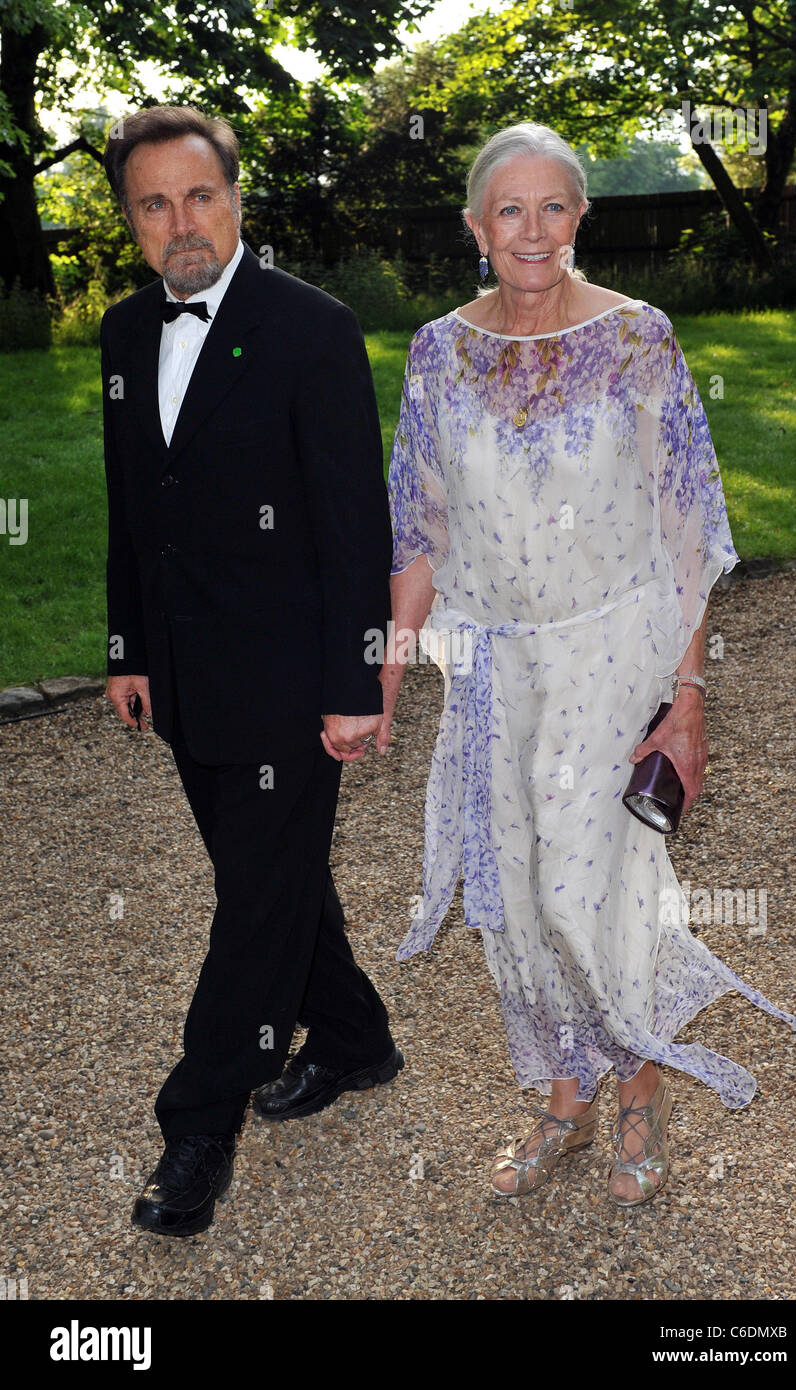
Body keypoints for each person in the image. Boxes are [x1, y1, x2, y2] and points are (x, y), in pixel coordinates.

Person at [378, 123, 796, 1206]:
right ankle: (568, 1092)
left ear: (581, 217)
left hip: (614, 647)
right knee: (518, 885)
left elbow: (687, 527)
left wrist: (690, 695)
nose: (532, 231)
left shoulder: (639, 337)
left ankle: (641, 1089)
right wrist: (382, 671)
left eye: (553, 207)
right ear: (477, 228)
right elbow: (416, 533)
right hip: (489, 665)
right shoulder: (436, 352)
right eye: (508, 211)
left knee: (592, 880)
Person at [101, 105, 401, 1237]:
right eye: (154, 203)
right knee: (271, 887)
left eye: (201, 197)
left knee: (251, 913)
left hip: (290, 684)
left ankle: (197, 1125)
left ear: (237, 198)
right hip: (182, 678)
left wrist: (353, 682)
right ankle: (359, 1040)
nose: (182, 223)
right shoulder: (127, 335)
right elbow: (135, 511)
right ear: (131, 219)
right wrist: (128, 647)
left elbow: (351, 525)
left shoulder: (312, 329)